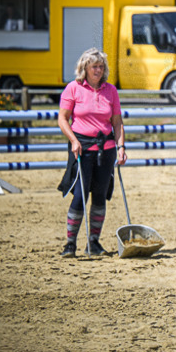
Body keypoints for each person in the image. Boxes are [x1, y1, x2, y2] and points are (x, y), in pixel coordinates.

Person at [56, 48, 127, 257]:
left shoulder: (111, 90)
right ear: (85, 68)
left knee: (99, 195)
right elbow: (63, 118)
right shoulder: (73, 88)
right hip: (81, 148)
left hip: (105, 150)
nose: (98, 70)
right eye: (94, 66)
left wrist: (121, 147)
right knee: (79, 195)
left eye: (101, 66)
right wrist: (73, 140)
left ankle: (93, 242)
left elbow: (117, 122)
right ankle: (70, 244)